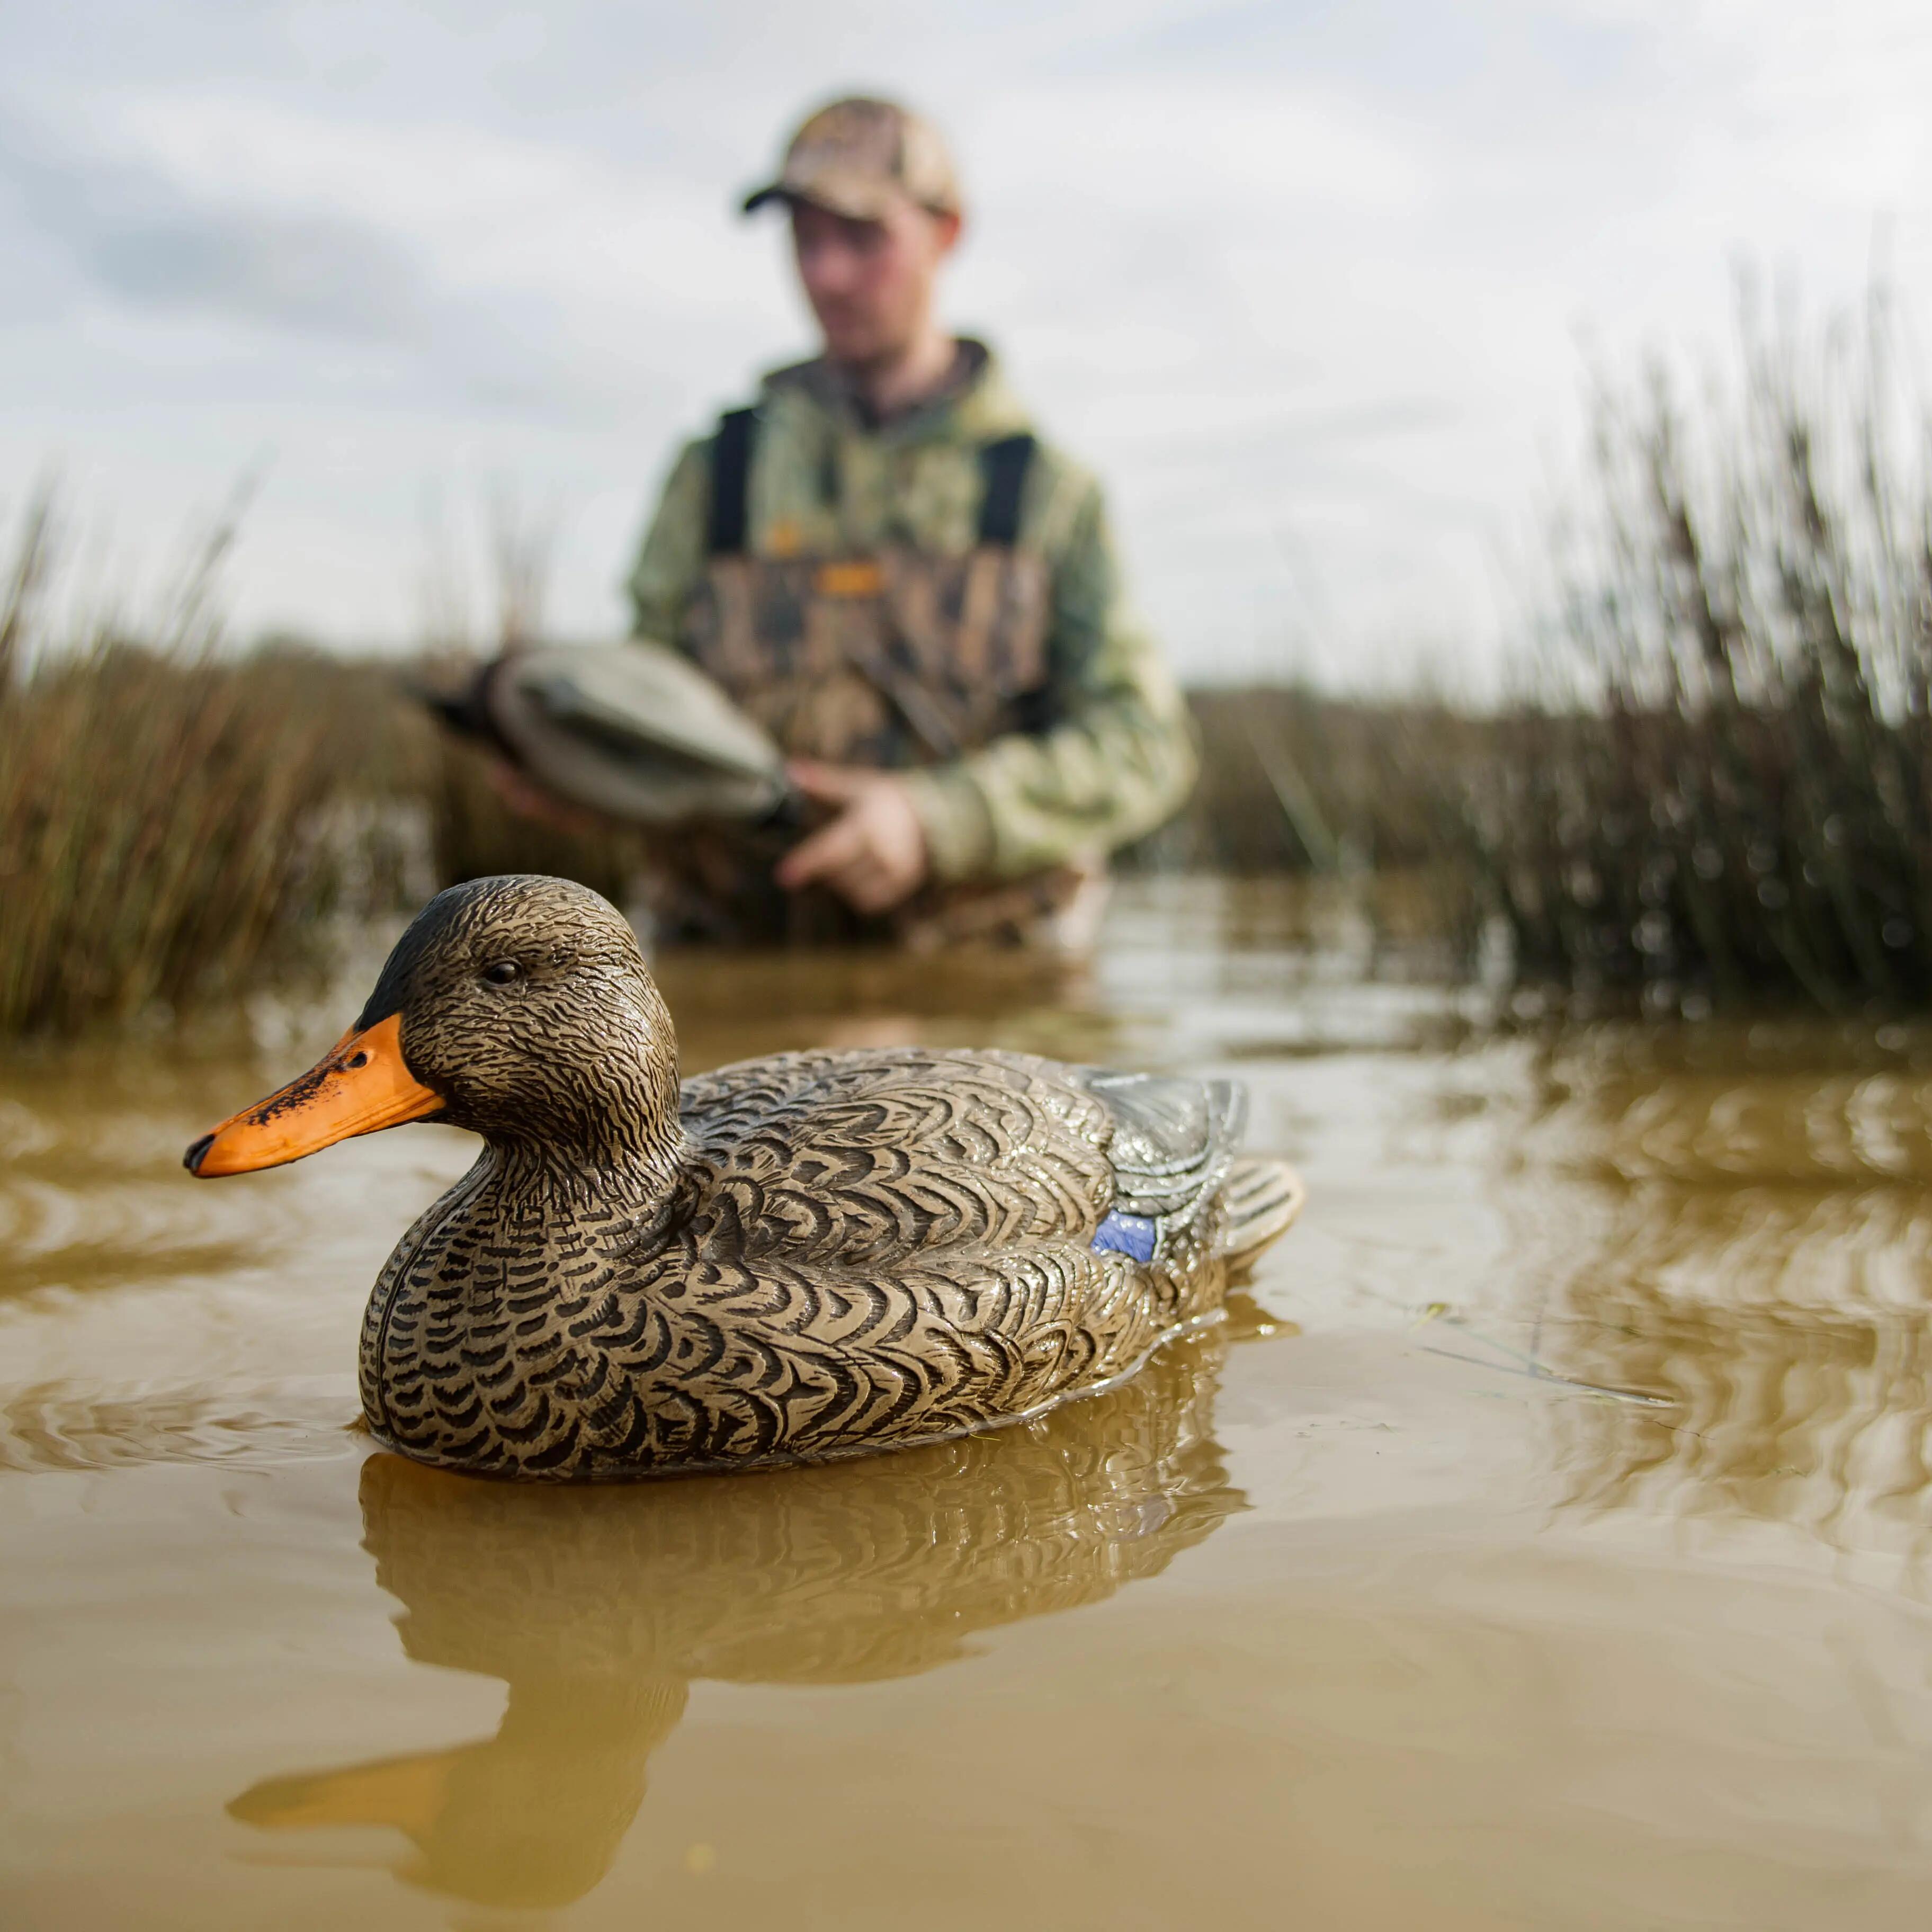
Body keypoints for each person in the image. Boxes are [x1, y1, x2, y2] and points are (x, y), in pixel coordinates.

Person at [623, 95, 1197, 947]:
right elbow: (642, 701)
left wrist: (941, 820)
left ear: (945, 233)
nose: (826, 274)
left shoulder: (1046, 492)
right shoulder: (718, 475)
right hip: (736, 973)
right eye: (806, 240)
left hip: (989, 1003)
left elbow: (1145, 744)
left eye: (861, 238)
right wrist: (561, 759)